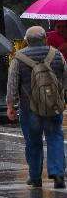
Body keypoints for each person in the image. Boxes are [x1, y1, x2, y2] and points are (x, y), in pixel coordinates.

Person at [8, 26, 67, 188]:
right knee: (55, 137)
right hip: (53, 106)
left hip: (29, 108)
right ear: (45, 39)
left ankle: (35, 176)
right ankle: (58, 173)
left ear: (26, 41)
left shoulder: (19, 58)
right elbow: (65, 77)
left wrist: (10, 105)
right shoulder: (57, 55)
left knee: (33, 141)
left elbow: (12, 84)